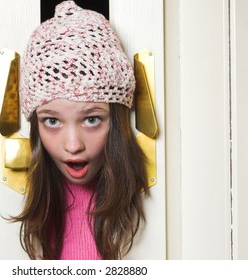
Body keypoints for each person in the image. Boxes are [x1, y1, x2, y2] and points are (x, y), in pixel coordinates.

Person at [12, 0, 149, 260]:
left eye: (91, 120)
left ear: (117, 120)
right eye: (52, 121)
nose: (73, 145)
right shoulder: (40, 205)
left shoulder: (155, 208)